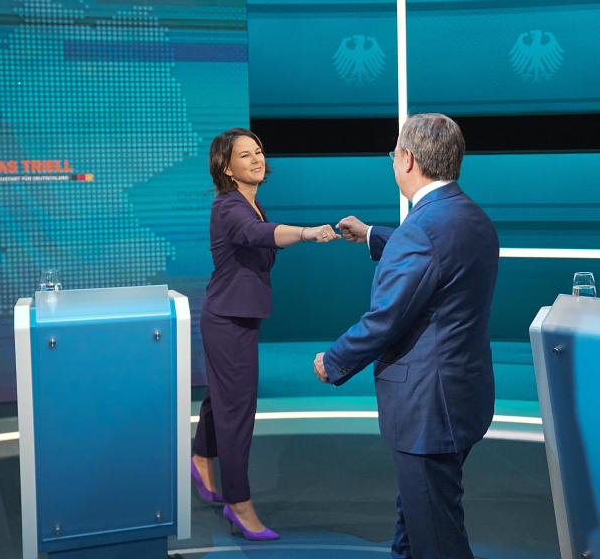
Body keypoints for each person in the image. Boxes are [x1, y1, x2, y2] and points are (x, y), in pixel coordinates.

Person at [313, 113, 500, 559]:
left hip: (427, 409)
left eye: (394, 152)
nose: (391, 159)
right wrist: (375, 235)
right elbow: (438, 256)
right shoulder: (470, 216)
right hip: (461, 398)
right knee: (416, 528)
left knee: (436, 539)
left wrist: (334, 360)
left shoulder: (422, 230)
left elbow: (385, 318)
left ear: (409, 160)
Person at [191, 127, 340, 541]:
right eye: (245, 155)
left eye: (258, 152)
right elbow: (260, 236)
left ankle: (202, 457)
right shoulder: (228, 207)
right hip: (227, 322)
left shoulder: (252, 203)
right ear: (226, 167)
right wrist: (307, 233)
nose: (257, 159)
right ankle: (238, 504)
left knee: (222, 397)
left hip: (236, 318)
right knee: (238, 413)